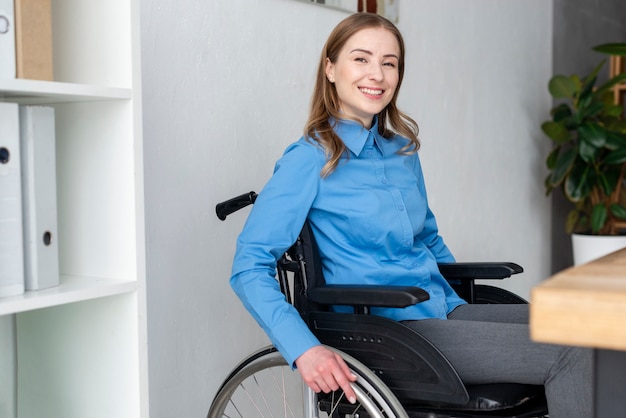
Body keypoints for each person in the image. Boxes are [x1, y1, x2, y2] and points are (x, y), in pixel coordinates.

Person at [230, 12, 592, 417]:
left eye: (389, 63)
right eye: (362, 59)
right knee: (569, 352)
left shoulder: (400, 151)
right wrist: (304, 349)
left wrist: (465, 315)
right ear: (330, 69)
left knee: (590, 325)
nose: (378, 74)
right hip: (389, 329)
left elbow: (428, 239)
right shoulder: (310, 158)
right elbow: (249, 267)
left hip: (439, 309)